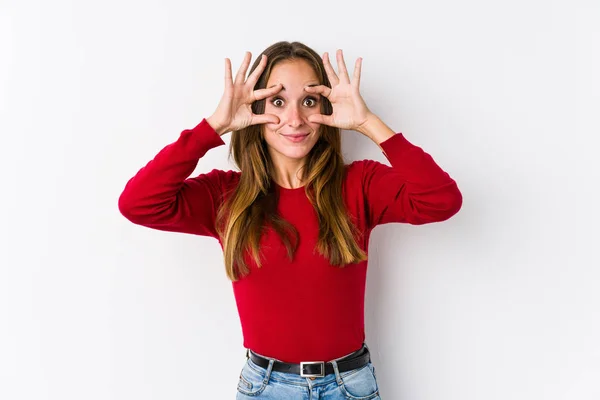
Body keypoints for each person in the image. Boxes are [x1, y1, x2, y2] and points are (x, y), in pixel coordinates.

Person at [118, 41, 462, 399]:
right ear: (254, 109)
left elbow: (441, 200)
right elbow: (138, 203)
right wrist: (214, 126)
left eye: (309, 101)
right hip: (265, 387)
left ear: (326, 108)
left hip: (350, 385)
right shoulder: (226, 195)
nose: (295, 119)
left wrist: (368, 123)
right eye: (278, 102)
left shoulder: (359, 185)